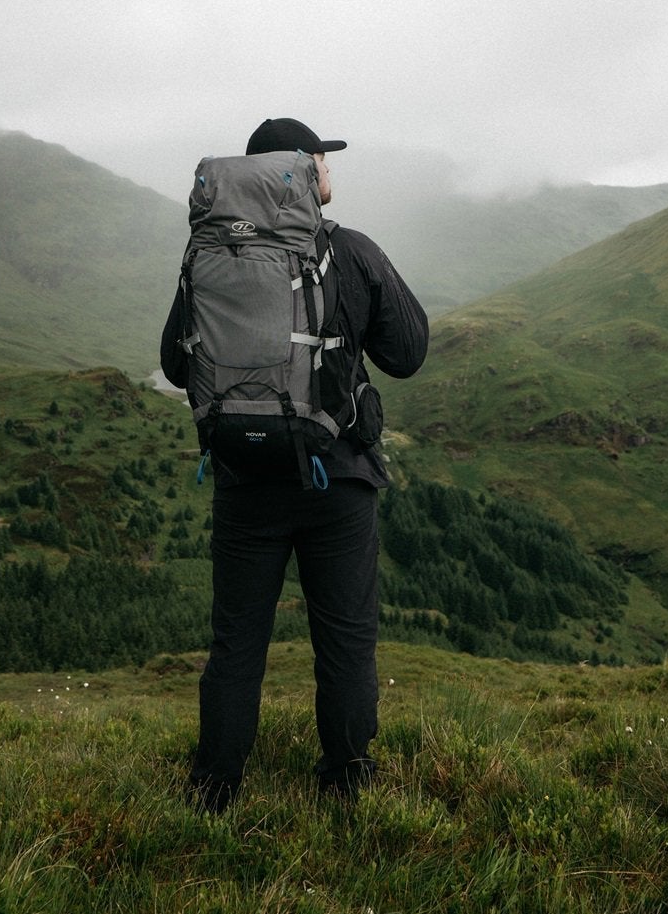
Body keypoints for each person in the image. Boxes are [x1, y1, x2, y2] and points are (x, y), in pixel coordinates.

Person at [160, 116, 429, 813]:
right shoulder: (350, 252)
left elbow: (172, 360)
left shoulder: (209, 255)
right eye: (319, 158)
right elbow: (407, 352)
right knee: (345, 640)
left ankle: (214, 790)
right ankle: (346, 784)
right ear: (301, 174)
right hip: (337, 479)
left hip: (245, 483)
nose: (327, 168)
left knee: (236, 643)